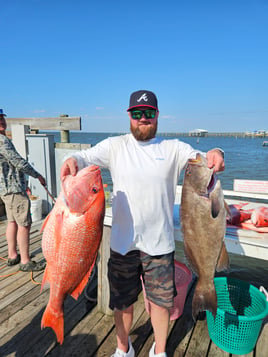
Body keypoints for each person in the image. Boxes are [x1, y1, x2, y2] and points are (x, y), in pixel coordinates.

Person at [60, 90, 225, 357]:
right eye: (137, 113)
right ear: (129, 116)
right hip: (122, 244)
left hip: (159, 245)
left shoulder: (172, 148)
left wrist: (217, 151)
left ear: (157, 116)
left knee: (161, 303)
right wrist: (73, 160)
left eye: (149, 113)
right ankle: (123, 348)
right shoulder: (115, 146)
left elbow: (203, 158)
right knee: (122, 303)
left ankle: (159, 351)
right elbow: (86, 157)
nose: (143, 118)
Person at [0, 109, 47, 272]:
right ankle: (25, 261)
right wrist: (37, 175)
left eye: (2, 118)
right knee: (24, 224)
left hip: (5, 190)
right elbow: (18, 162)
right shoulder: (2, 141)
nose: (1, 121)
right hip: (14, 190)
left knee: (12, 222)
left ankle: (13, 255)